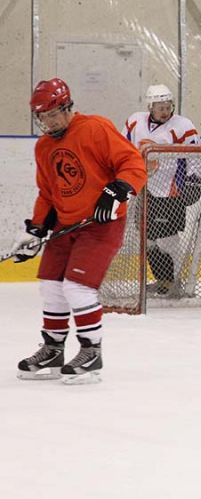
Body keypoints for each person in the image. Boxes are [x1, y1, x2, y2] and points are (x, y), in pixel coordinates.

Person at [7, 78, 147, 384]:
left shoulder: (95, 128)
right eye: (42, 116)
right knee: (50, 285)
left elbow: (133, 163)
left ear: (67, 107)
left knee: (77, 287)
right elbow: (48, 193)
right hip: (65, 225)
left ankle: (91, 352)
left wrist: (118, 189)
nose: (48, 122)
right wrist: (36, 230)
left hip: (101, 225)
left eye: (53, 114)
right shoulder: (44, 147)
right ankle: (53, 349)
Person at [123, 84, 201, 296]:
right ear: (150, 107)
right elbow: (122, 149)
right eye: (160, 108)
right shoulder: (135, 122)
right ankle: (163, 281)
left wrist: (195, 182)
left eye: (168, 107)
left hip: (171, 191)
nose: (165, 111)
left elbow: (195, 155)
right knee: (148, 239)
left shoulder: (183, 126)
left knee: (167, 239)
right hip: (144, 191)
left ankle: (177, 282)